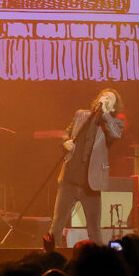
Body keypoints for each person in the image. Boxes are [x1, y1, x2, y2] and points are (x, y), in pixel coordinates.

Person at [48, 87, 126, 247]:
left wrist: (105, 114)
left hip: (91, 184)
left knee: (94, 230)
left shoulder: (115, 123)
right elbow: (67, 132)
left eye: (110, 99)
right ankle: (50, 258)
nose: (105, 98)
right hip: (69, 179)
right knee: (57, 224)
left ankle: (99, 264)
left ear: (113, 107)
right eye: (104, 95)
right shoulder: (81, 115)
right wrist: (65, 142)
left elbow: (115, 135)